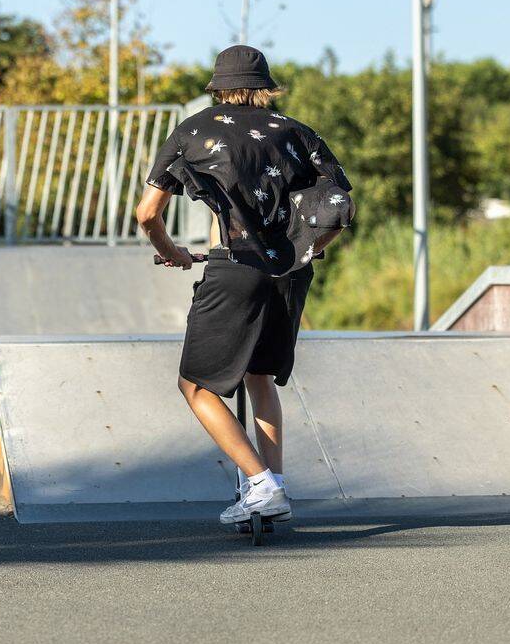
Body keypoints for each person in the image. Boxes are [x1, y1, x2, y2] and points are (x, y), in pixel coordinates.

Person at [134, 44, 355, 526]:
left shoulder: (195, 129)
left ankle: (259, 483)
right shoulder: (297, 132)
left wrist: (171, 252)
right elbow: (340, 206)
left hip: (234, 268)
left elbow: (147, 213)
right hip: (290, 273)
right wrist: (310, 249)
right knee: (259, 378)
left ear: (217, 87)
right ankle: (274, 487)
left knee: (196, 386)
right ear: (266, 88)